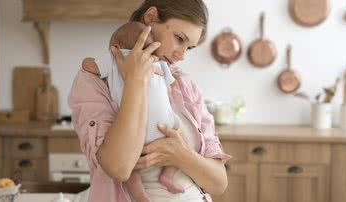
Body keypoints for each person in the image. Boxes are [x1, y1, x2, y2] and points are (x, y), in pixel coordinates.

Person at [68, 0, 231, 201]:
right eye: (179, 38)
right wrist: (135, 82)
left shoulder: (184, 86)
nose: (181, 55)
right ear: (151, 17)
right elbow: (119, 168)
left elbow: (218, 183)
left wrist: (181, 155)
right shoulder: (97, 81)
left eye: (189, 48)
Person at [85, 21, 190, 202]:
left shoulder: (114, 60)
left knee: (131, 165)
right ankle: (167, 175)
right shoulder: (159, 64)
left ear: (115, 47)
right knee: (181, 144)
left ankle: (140, 197)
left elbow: (88, 66)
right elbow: (171, 83)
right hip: (164, 126)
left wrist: (91, 60)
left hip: (136, 129)